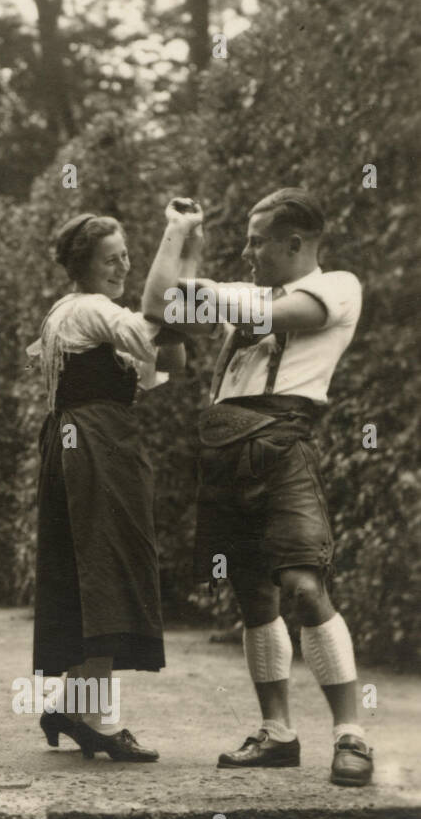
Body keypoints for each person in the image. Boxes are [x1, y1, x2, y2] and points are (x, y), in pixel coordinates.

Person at [155, 188, 370, 786]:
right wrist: (186, 242)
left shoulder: (338, 286)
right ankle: (278, 733)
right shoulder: (250, 294)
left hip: (283, 447)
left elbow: (271, 316)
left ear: (294, 243)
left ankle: (351, 734)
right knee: (252, 597)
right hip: (225, 451)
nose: (247, 251)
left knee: (304, 585)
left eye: (257, 241)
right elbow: (172, 307)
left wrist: (205, 296)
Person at [26, 201, 199, 761]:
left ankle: (68, 704)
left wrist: (186, 257)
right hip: (93, 446)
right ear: (83, 264)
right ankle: (96, 721)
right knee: (103, 571)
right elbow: (154, 333)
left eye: (127, 257)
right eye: (110, 258)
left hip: (96, 445)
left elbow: (169, 358)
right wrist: (176, 236)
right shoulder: (86, 310)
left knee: (96, 570)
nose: (122, 266)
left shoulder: (85, 313)